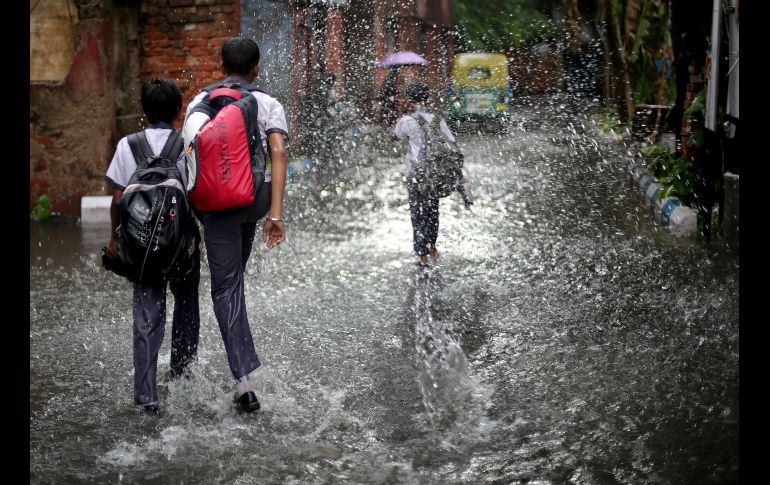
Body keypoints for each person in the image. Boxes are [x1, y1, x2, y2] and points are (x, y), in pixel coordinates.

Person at [183, 37, 288, 413]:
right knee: (234, 281)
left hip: (217, 204)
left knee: (225, 286)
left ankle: (243, 383)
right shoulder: (268, 103)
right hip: (255, 200)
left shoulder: (201, 101)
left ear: (221, 64)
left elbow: (189, 157)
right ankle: (243, 367)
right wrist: (274, 214)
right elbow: (277, 152)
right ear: (256, 67)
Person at [104, 78, 201, 415]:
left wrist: (115, 239)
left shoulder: (127, 145)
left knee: (147, 317)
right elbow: (196, 196)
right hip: (182, 248)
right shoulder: (186, 144)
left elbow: (118, 199)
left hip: (141, 248)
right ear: (178, 110)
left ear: (144, 112)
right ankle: (182, 381)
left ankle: (146, 397)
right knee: (186, 307)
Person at [393, 83, 464, 267]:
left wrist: (402, 113)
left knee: (417, 214)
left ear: (409, 99)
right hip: (434, 173)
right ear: (427, 98)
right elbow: (452, 144)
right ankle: (432, 246)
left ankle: (421, 255)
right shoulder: (437, 118)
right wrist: (459, 173)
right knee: (433, 211)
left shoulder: (407, 121)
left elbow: (396, 136)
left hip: (416, 174)